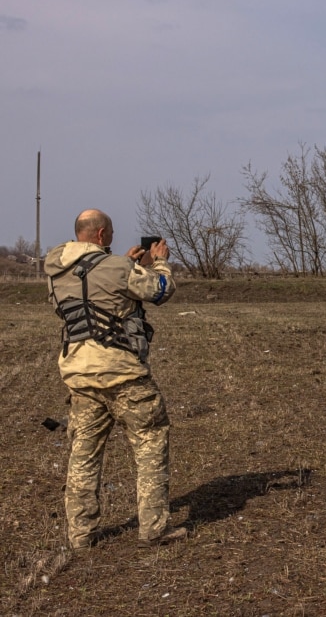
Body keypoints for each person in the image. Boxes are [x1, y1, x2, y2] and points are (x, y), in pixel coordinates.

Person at [44, 209, 186, 549]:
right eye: (110, 232)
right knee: (150, 444)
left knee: (83, 454)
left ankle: (80, 535)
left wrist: (123, 264)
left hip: (80, 374)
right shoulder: (119, 269)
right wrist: (160, 262)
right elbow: (161, 290)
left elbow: (90, 295)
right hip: (122, 374)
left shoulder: (56, 272)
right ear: (101, 234)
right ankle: (154, 528)